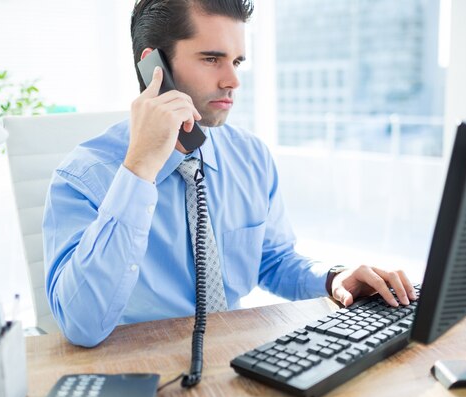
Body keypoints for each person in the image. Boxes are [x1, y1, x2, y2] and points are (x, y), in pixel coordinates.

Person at [42, 0, 417, 348]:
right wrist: (139, 170)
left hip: (234, 361)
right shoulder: (82, 177)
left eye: (236, 62)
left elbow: (271, 259)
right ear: (154, 67)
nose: (233, 81)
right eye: (211, 59)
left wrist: (333, 278)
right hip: (140, 372)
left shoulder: (250, 156)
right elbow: (81, 325)